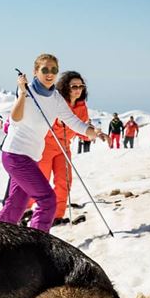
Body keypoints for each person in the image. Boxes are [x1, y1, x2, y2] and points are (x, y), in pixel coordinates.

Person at [0, 54, 106, 232]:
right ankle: (38, 246)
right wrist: (22, 93)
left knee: (16, 205)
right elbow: (15, 119)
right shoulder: (27, 90)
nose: (50, 73)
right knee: (47, 200)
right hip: (16, 155)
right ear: (35, 71)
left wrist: (94, 132)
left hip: (31, 157)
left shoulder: (55, 98)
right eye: (45, 69)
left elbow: (73, 121)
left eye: (53, 70)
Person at [29, 71, 90, 227]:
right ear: (66, 87)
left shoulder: (82, 107)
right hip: (47, 145)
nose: (78, 89)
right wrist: (59, 123)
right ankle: (25, 209)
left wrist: (88, 135)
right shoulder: (58, 101)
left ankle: (56, 215)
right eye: (74, 86)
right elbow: (48, 121)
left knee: (65, 181)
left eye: (80, 86)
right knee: (40, 180)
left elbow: (80, 127)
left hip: (64, 147)